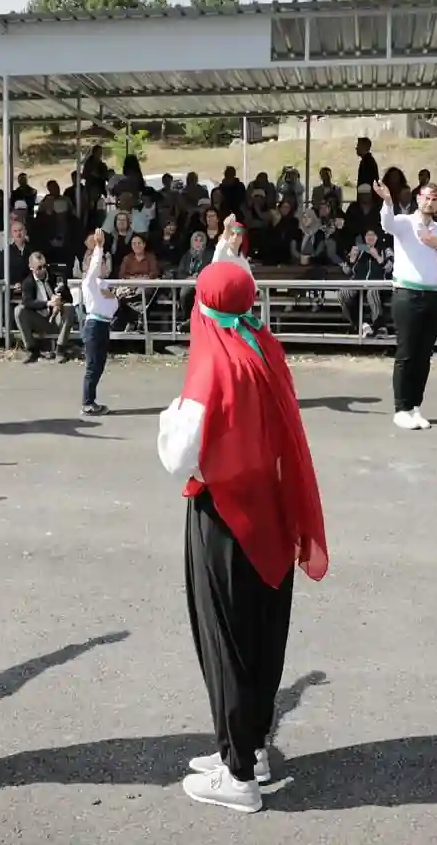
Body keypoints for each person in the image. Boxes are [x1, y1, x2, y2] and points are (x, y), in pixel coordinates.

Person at [156, 260, 329, 814]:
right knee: (260, 635)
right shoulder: (262, 343)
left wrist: (168, 416)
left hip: (225, 514)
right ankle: (248, 748)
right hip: (271, 509)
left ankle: (238, 777)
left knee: (225, 640)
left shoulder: (213, 359)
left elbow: (177, 454)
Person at [374, 179, 437, 430]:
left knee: (423, 355)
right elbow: (387, 224)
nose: (430, 202)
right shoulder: (405, 223)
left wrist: (436, 244)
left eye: (435, 198)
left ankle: (415, 406)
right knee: (406, 353)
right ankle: (401, 407)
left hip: (432, 294)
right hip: (407, 294)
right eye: (426, 197)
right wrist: (387, 200)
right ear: (418, 198)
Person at [79, 228, 118, 416]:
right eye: (99, 262)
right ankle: (87, 402)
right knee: (92, 366)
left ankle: (91, 399)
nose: (101, 265)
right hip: (94, 325)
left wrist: (111, 296)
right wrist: (99, 247)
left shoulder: (103, 285)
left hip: (104, 325)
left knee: (99, 365)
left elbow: (114, 306)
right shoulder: (89, 282)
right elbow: (94, 266)